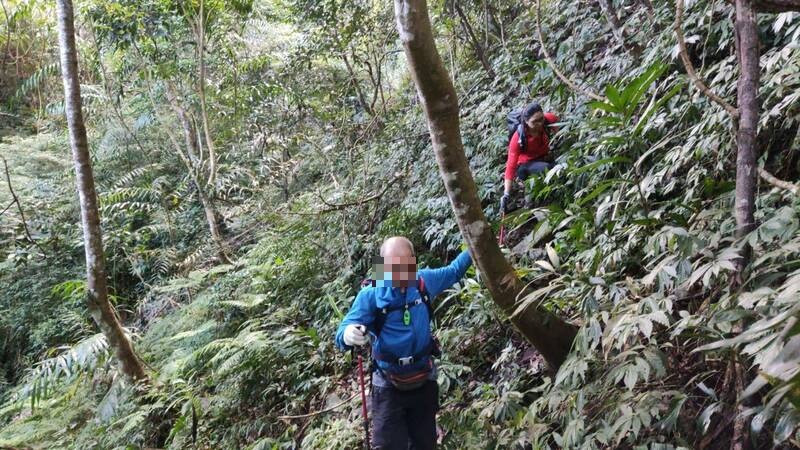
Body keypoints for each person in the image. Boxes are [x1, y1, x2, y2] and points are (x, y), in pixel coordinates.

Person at [335, 236, 472, 450]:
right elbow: (343, 330)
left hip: (423, 379)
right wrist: (348, 335)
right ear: (381, 266)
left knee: (425, 444)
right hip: (388, 384)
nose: (398, 273)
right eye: (391, 267)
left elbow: (454, 271)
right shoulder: (371, 294)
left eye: (404, 266)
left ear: (413, 263)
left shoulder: (423, 282)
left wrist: (477, 245)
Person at [500, 102, 559, 212]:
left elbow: (557, 123)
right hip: (525, 165)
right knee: (550, 169)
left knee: (552, 166)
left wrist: (557, 135)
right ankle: (532, 204)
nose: (539, 123)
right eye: (534, 121)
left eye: (541, 119)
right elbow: (510, 166)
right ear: (526, 122)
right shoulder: (518, 137)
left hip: (543, 157)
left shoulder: (547, 119)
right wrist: (506, 194)